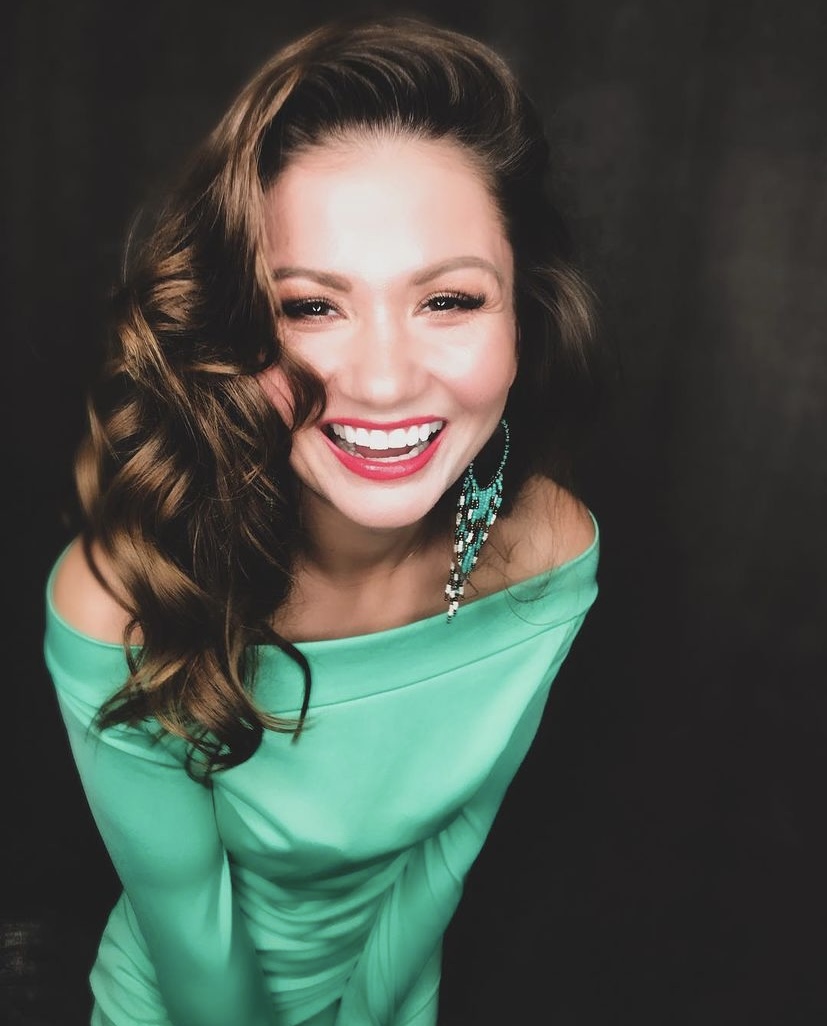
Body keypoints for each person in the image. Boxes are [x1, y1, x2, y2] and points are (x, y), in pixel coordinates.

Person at [45, 16, 601, 1026]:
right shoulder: (121, 595)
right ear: (230, 331)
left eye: (448, 300)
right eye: (309, 307)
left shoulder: (549, 551)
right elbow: (190, 928)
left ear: (523, 314)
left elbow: (449, 854)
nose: (383, 382)